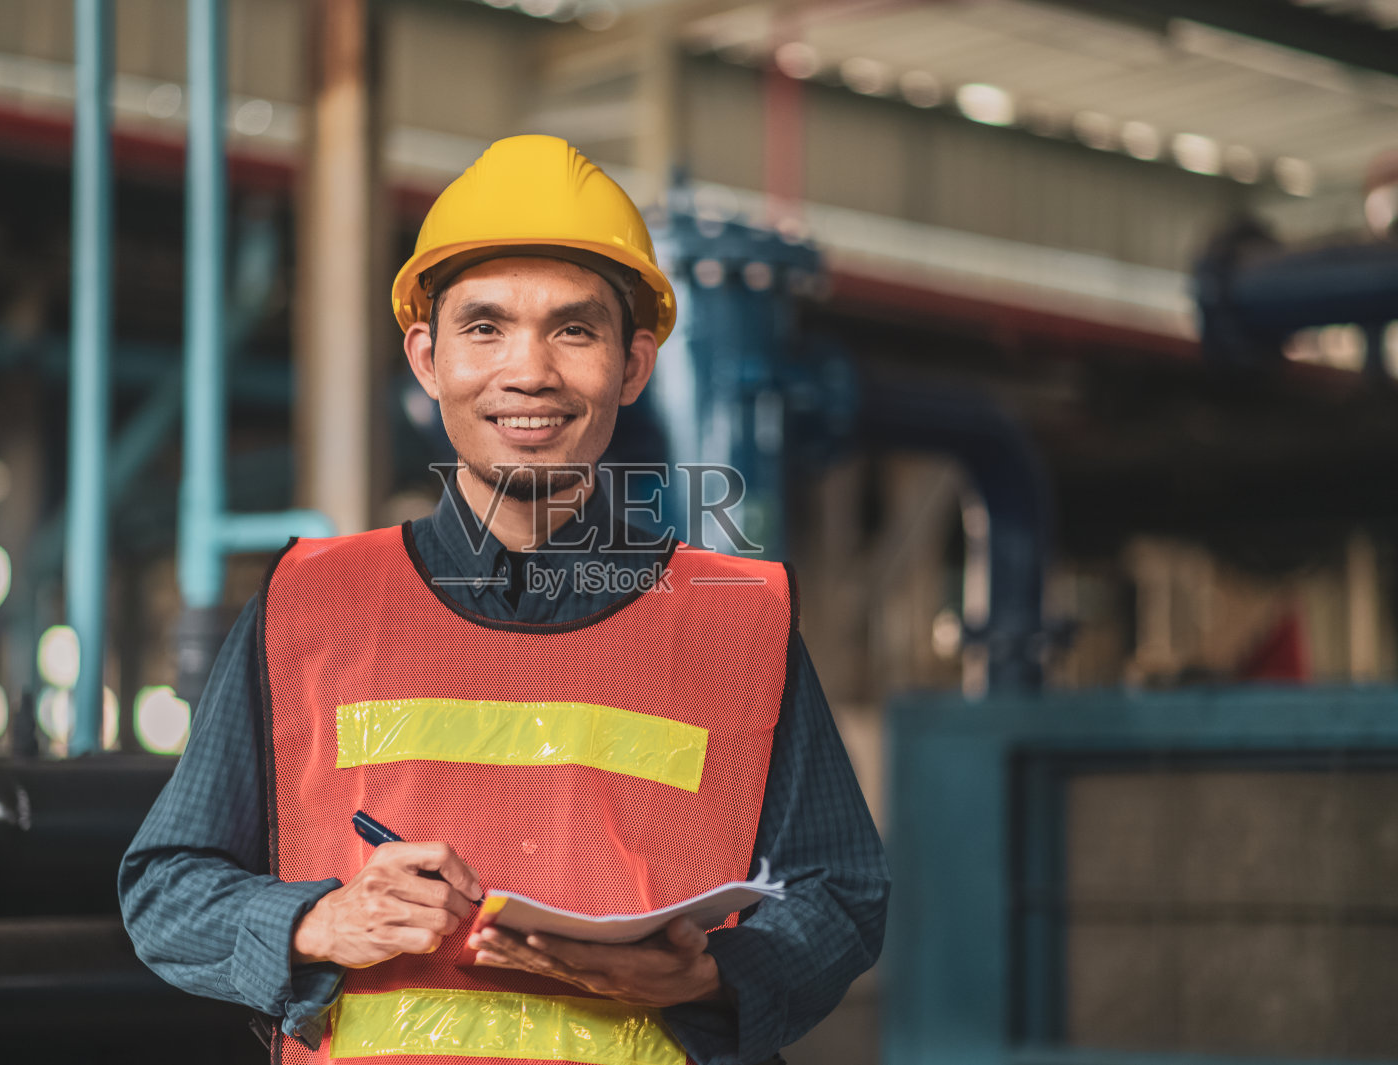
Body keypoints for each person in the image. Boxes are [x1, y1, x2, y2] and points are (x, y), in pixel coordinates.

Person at [119, 134, 888, 1065]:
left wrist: (714, 974)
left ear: (634, 364)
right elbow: (165, 887)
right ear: (427, 357)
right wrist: (317, 918)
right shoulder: (307, 606)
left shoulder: (739, 622)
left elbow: (842, 891)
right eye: (485, 327)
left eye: (574, 328)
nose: (529, 372)